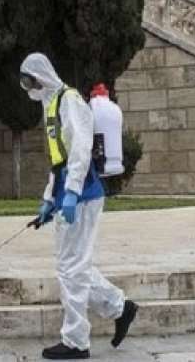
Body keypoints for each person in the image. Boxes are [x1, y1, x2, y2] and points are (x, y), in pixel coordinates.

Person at [20, 53, 137, 360]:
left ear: (41, 76)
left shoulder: (69, 100)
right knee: (73, 265)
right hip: (68, 192)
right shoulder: (51, 106)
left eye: (29, 80)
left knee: (71, 268)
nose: (27, 87)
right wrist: (49, 198)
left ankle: (76, 341)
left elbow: (81, 150)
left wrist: (70, 193)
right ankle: (119, 307)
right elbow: (58, 160)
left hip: (82, 194)